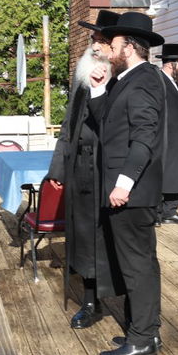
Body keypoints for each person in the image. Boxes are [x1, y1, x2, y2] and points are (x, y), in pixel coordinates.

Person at [94, 11, 166, 355]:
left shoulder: (145, 80)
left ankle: (142, 338)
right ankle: (145, 332)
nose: (110, 47)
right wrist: (97, 87)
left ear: (130, 47)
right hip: (126, 191)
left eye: (115, 43)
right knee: (138, 265)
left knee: (138, 266)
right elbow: (108, 124)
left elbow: (143, 138)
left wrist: (124, 184)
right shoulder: (126, 80)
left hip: (131, 194)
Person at [47, 40, 112, 329]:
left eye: (103, 42)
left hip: (106, 172)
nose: (95, 47)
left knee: (106, 240)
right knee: (83, 240)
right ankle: (90, 302)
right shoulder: (82, 72)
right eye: (93, 42)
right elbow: (68, 124)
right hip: (78, 170)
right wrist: (58, 169)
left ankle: (115, 296)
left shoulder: (120, 77)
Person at [156, 43, 178, 225]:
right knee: (162, 173)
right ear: (171, 63)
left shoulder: (175, 82)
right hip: (164, 136)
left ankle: (170, 211)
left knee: (175, 173)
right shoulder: (159, 80)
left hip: (177, 136)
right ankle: (157, 213)